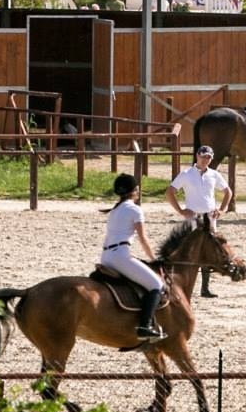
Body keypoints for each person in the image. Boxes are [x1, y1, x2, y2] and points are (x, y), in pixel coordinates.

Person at [99, 172, 166, 341]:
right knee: (156, 284)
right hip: (120, 256)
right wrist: (153, 259)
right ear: (135, 190)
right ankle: (145, 326)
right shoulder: (135, 210)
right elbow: (143, 239)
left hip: (107, 256)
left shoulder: (115, 210)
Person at [168, 145, 233, 298]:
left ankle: (205, 287)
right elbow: (170, 191)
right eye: (203, 156)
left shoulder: (214, 174)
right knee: (190, 250)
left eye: (209, 157)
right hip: (193, 217)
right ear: (197, 156)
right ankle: (184, 284)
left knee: (208, 249)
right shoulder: (186, 174)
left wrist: (222, 209)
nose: (206, 160)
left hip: (209, 216)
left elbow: (227, 192)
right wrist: (180, 210)